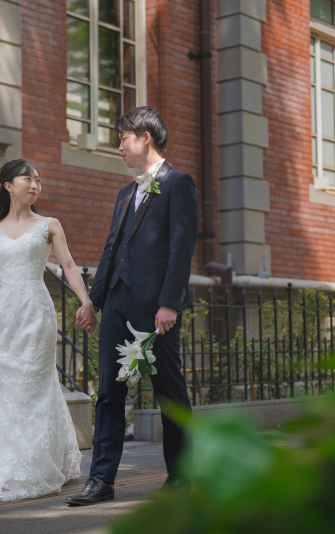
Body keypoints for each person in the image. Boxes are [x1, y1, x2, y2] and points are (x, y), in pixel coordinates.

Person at [67, 106, 199, 506]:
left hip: (156, 307)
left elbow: (181, 249)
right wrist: (93, 301)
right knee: (109, 391)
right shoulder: (126, 192)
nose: (118, 145)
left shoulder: (178, 184)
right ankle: (102, 480)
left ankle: (182, 476)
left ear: (145, 137)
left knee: (169, 391)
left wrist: (169, 303)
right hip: (119, 305)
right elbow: (112, 250)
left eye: (123, 137)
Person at [0, 159, 91, 502]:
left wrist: (86, 301)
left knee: (34, 385)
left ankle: (35, 465)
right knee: (4, 388)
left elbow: (69, 266)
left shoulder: (49, 225)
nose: (35, 185)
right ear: (9, 186)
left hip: (38, 313)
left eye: (38, 180)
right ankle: (3, 464)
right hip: (6, 317)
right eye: (28, 178)